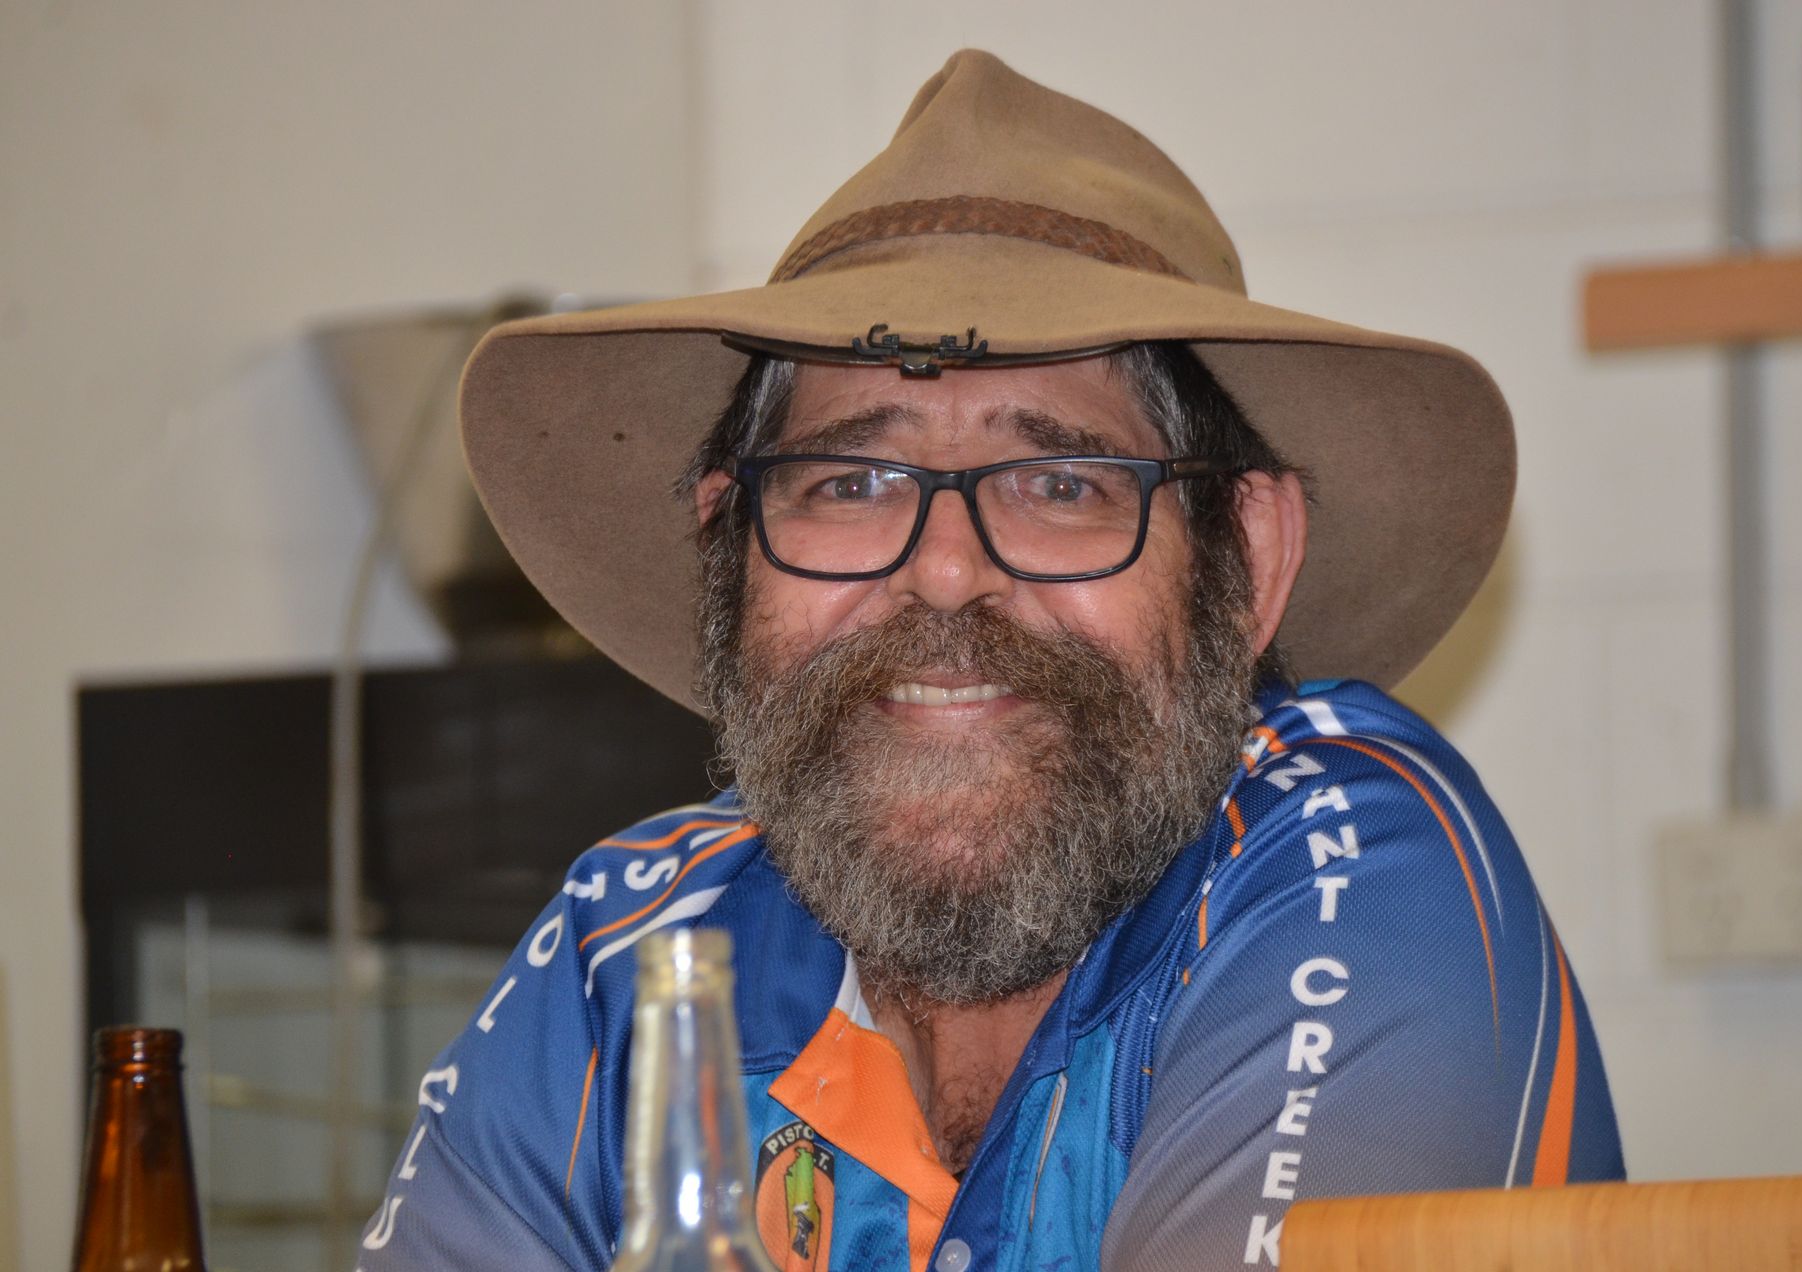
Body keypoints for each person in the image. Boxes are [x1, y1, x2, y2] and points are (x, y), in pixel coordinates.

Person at [360, 50, 1625, 1271]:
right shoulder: (630, 958)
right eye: (852, 479)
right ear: (725, 547)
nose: (948, 570)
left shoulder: (1347, 855)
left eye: (1062, 481)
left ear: (1250, 548)